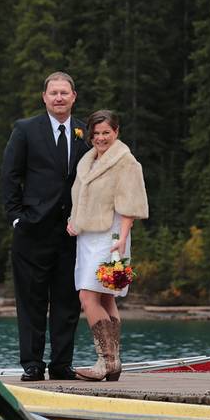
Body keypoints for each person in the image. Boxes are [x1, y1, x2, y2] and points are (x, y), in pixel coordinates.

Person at [1, 72, 87, 381]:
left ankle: (62, 364)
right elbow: (10, 175)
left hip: (72, 232)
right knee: (31, 301)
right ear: (45, 97)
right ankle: (33, 365)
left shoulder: (84, 132)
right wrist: (16, 217)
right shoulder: (25, 130)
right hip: (32, 231)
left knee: (67, 301)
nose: (59, 97)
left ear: (73, 97)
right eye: (54, 93)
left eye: (65, 92)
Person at [66, 110, 148, 381]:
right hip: (87, 236)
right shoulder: (87, 161)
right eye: (96, 133)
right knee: (106, 296)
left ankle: (105, 361)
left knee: (87, 297)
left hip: (111, 236)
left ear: (116, 132)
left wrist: (122, 239)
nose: (101, 138)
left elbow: (131, 205)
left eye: (106, 133)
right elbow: (82, 199)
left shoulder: (126, 162)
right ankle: (114, 363)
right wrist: (73, 220)